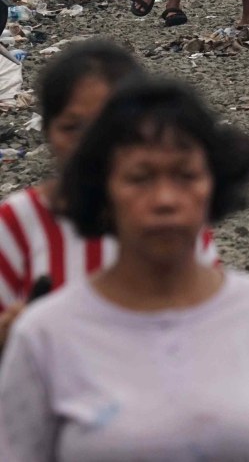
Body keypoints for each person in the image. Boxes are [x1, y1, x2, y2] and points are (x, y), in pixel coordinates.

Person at [0, 77, 249, 459]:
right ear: (102, 192)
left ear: (213, 185)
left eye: (186, 175)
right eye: (139, 178)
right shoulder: (45, 335)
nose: (165, 199)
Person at [0, 41, 217, 350]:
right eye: (73, 128)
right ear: (48, 132)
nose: (91, 145)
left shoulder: (169, 215)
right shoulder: (19, 223)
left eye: (107, 127)